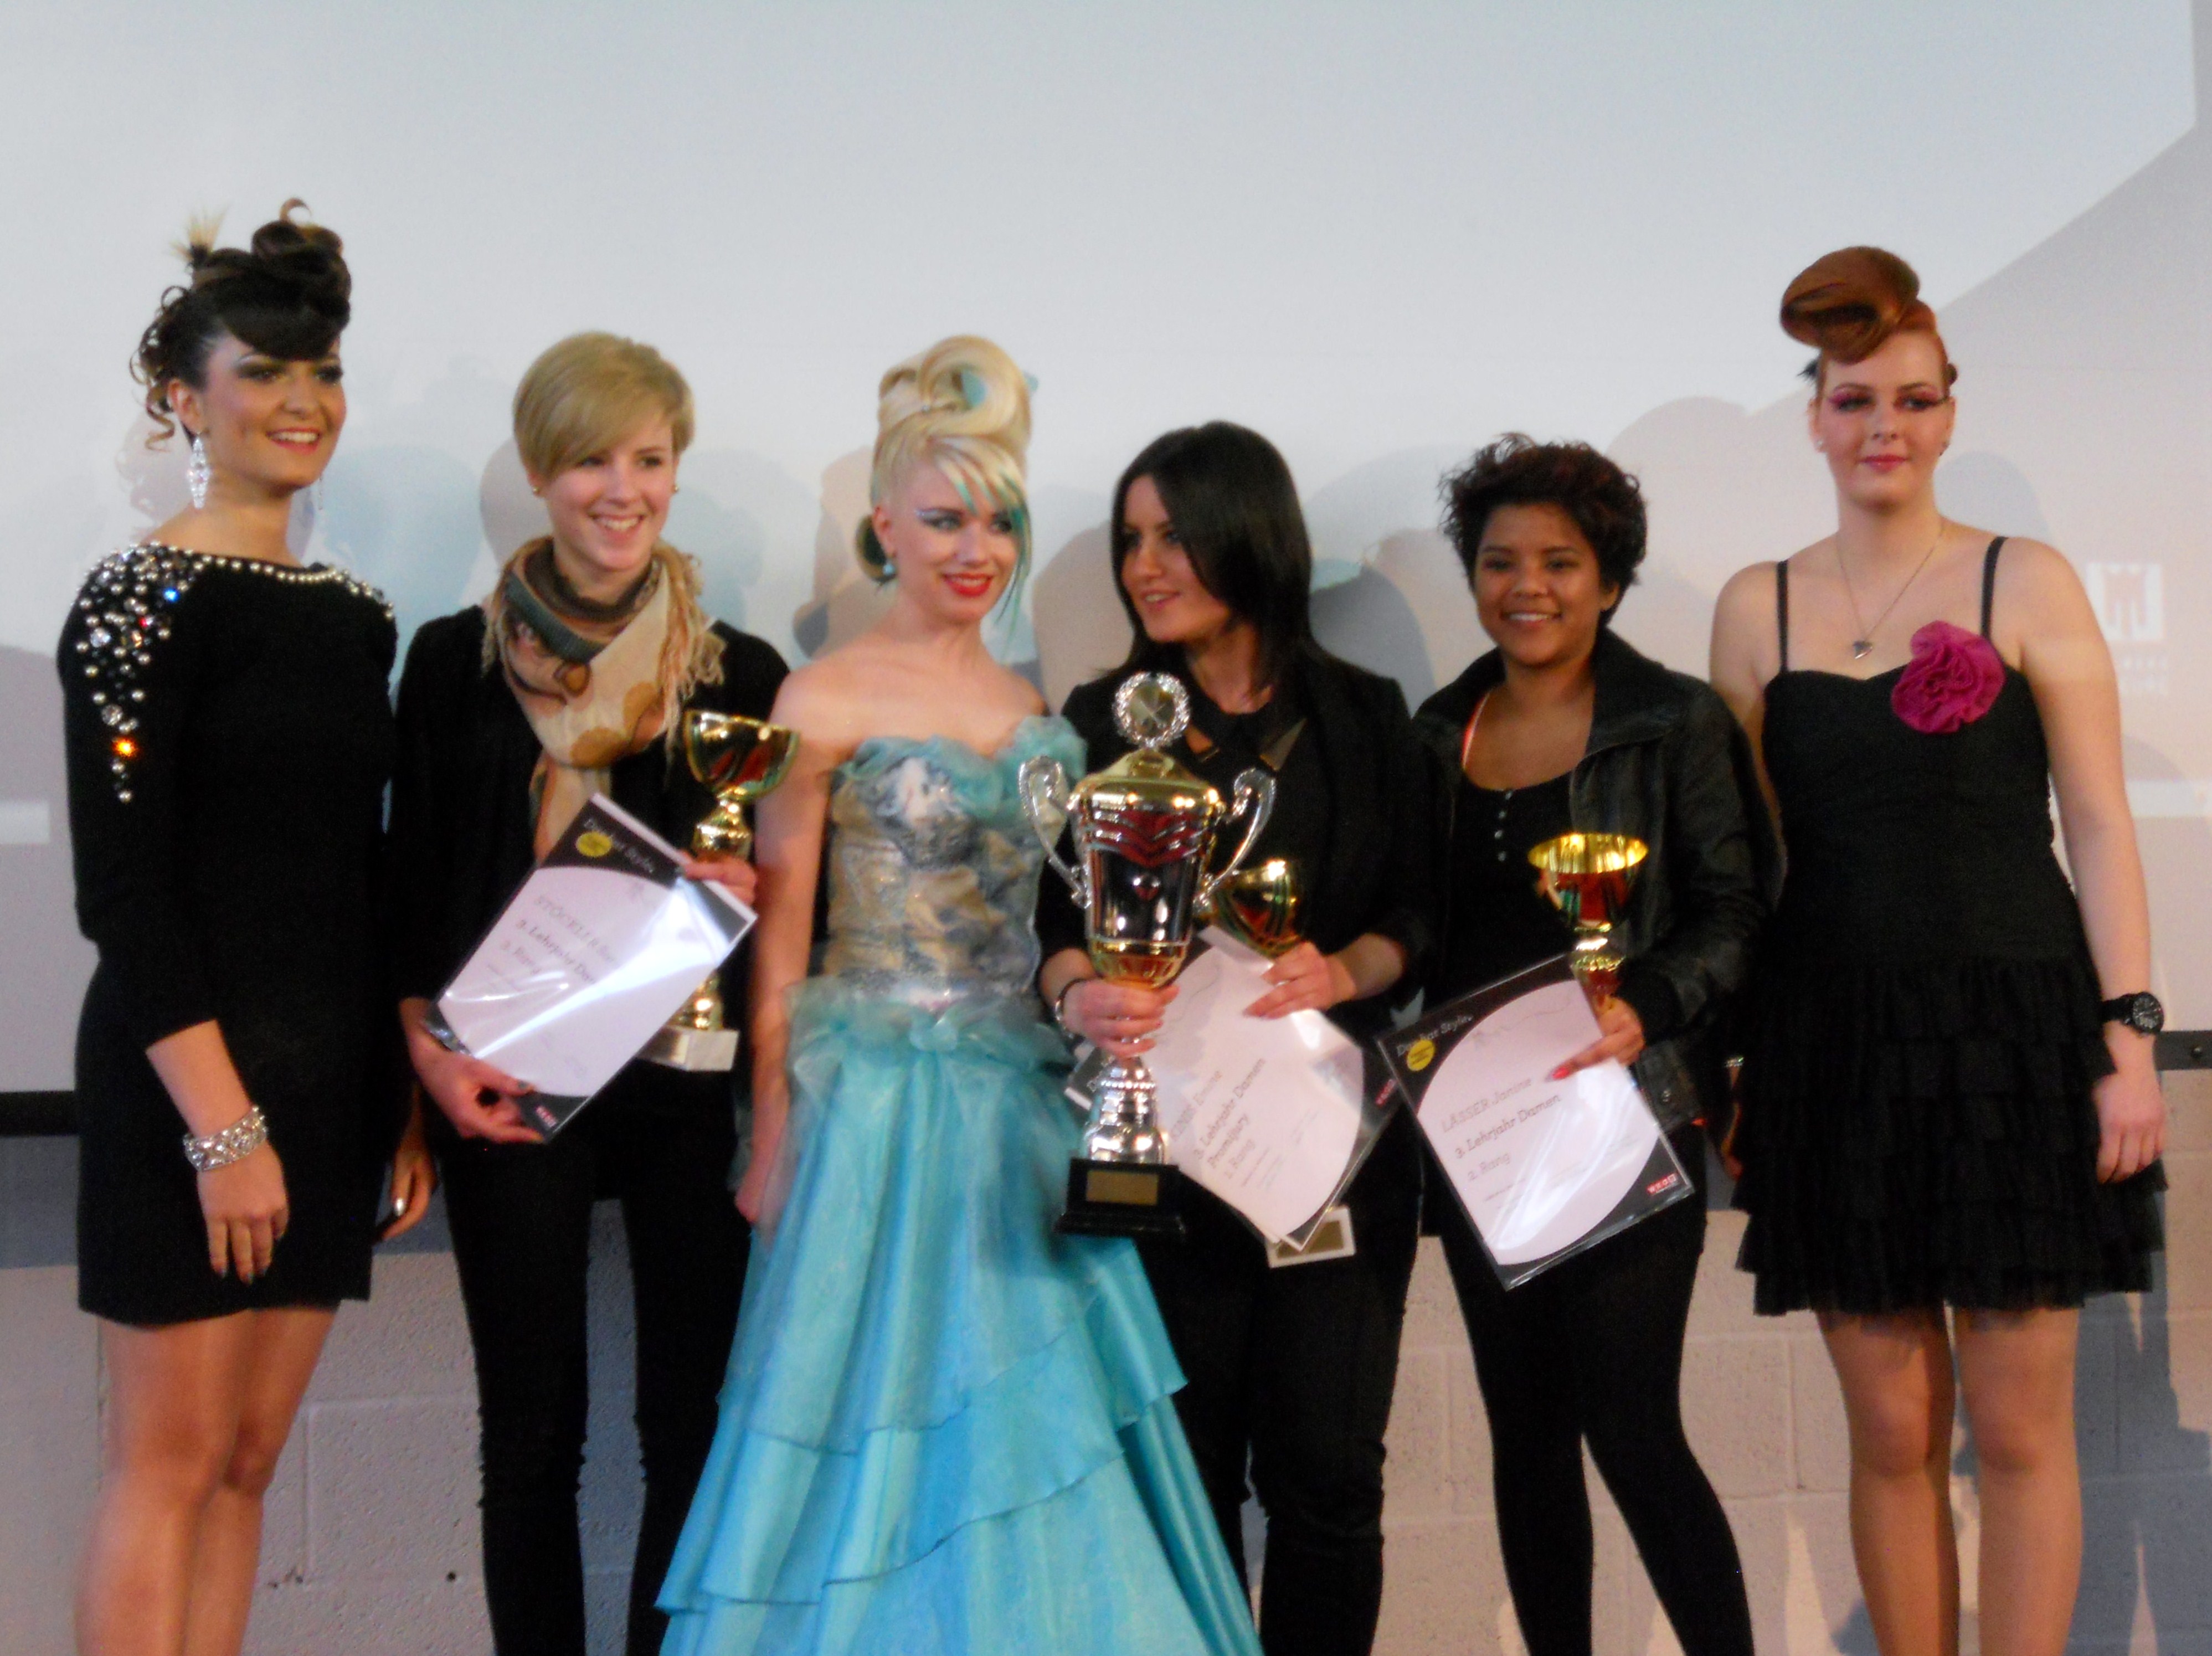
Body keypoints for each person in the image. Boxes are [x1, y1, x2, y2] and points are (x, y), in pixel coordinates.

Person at [657, 337, 1261, 1656]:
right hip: (865, 1106)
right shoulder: (818, 695)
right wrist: (771, 1130)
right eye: (944, 519)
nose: (975, 548)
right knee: (865, 1416)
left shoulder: (1034, 701)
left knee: (1030, 1420)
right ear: (884, 526)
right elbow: (782, 939)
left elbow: (1051, 924)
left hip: (1014, 1098)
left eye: (998, 521)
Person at [1710, 246, 2166, 1656]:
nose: (1882, 428)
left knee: (2020, 1435)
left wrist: (2129, 1038)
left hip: (2012, 1042)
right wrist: (1740, 1064)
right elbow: (1752, 869)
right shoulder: (1754, 606)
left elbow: (2097, 823)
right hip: (1831, 1047)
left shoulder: (2022, 580)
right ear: (1813, 417)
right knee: (1891, 1432)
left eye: (1911, 400)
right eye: (1853, 401)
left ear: (1949, 413)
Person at [61, 202, 434, 1656]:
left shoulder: (358, 615)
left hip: (329, 1091)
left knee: (245, 1466)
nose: (302, 400)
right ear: (185, 397)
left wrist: (397, 1100)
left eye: (323, 369)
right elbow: (125, 891)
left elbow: (360, 872)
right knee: (164, 1468)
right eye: (265, 369)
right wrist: (224, 1131)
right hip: (188, 1095)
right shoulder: (139, 600)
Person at [387, 332, 788, 1656]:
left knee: (689, 1428)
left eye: (649, 460)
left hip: (684, 1092)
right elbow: (410, 892)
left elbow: (799, 909)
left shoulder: (739, 676)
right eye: (589, 462)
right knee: (530, 1435)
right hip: (504, 1083)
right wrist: (426, 1060)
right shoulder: (449, 663)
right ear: (539, 473)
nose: (623, 491)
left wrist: (754, 885)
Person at [1038, 421, 1432, 1656]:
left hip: (1329, 1155)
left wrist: (1347, 968)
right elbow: (1044, 927)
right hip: (1164, 1153)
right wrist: (1077, 995)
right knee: (1184, 1478)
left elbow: (1421, 912)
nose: (1144, 566)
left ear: (1247, 536)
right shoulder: (1097, 721)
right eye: (1130, 540)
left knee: (1328, 1477)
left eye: (1173, 536)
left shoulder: (1365, 715)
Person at [1411, 434, 1763, 1656]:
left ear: (1608, 580)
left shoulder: (1674, 721)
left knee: (1631, 1426)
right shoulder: (1435, 730)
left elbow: (1737, 909)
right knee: (1523, 1437)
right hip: (1482, 1131)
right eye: (1498, 561)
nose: (1527, 586)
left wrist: (1648, 1002)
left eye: (1559, 562)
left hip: (1629, 1114)